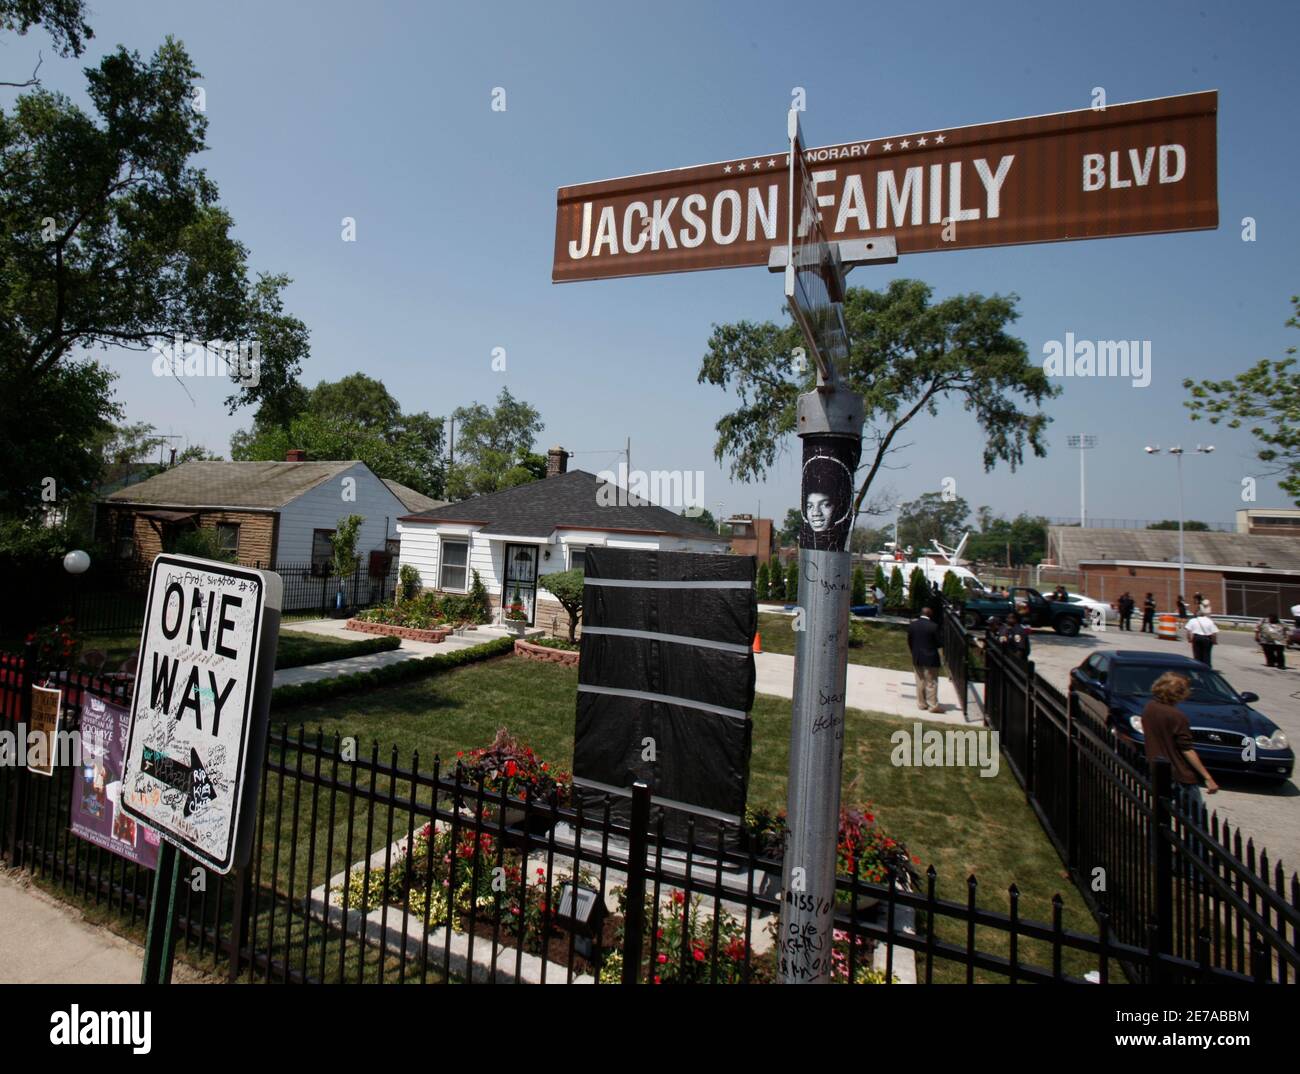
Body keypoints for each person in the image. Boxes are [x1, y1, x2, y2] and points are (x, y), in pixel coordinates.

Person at [1140, 671, 1219, 813]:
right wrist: (1207, 777)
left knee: (1160, 812)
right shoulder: (1177, 716)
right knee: (1195, 821)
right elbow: (1187, 749)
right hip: (1180, 774)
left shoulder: (1149, 708)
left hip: (1157, 769)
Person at [906, 606, 944, 713]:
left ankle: (921, 704)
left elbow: (909, 640)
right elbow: (939, 643)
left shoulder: (913, 625)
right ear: (930, 615)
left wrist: (913, 652)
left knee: (920, 681)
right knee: (931, 682)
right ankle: (933, 705)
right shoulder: (934, 627)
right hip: (930, 657)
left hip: (917, 656)